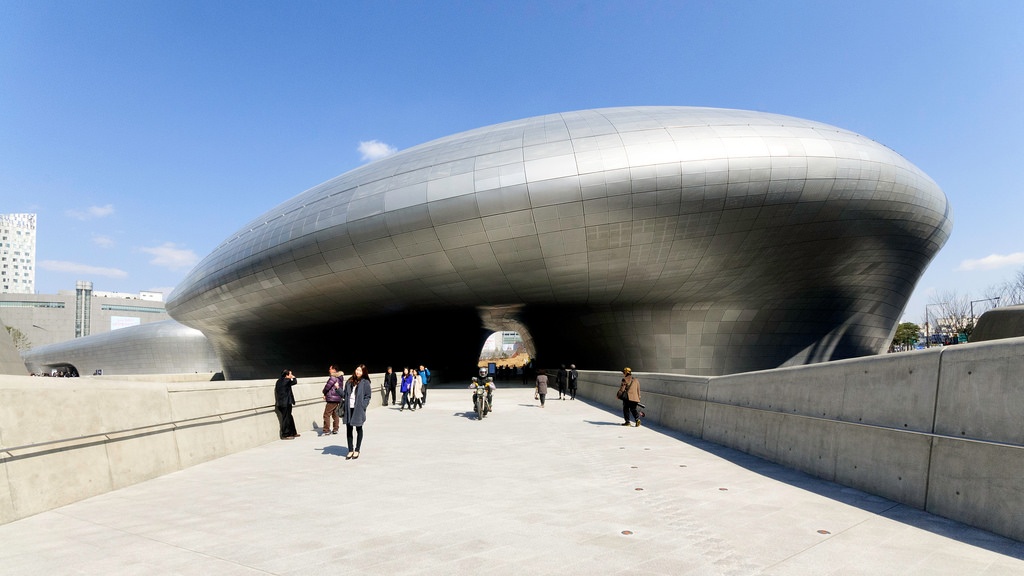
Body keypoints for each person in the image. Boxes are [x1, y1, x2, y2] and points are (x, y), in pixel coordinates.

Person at [342, 364, 373, 459]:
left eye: (360, 371)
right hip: (349, 408)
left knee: (359, 428)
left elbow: (367, 396)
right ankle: (350, 449)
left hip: (358, 409)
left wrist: (363, 406)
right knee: (349, 429)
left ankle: (357, 449)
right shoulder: (349, 381)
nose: (358, 372)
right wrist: (336, 389)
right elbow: (344, 394)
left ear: (363, 372)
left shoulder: (365, 382)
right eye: (357, 370)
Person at [274, 369, 299, 439]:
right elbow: (294, 382)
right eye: (290, 374)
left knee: (289, 417)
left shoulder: (279, 381)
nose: (291, 375)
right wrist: (293, 377)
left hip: (282, 403)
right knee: (286, 419)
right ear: (286, 375)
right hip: (285, 403)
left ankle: (293, 432)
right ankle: (285, 434)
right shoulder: (286, 381)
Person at [322, 365, 344, 435]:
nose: (329, 370)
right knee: (335, 414)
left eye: (330, 369)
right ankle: (335, 429)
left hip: (332, 398)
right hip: (337, 398)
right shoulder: (340, 377)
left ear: (334, 370)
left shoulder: (333, 377)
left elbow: (327, 387)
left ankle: (326, 430)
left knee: (326, 414)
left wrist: (324, 392)